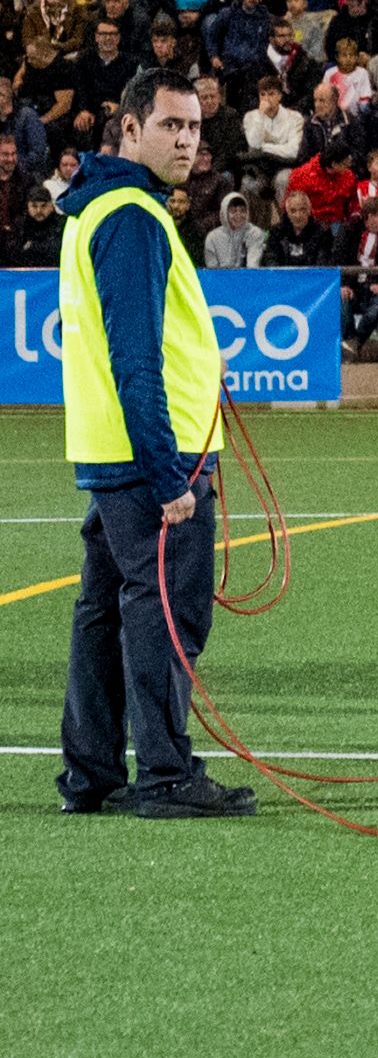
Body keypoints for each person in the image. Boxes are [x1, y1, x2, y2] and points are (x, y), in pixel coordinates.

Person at [54, 71, 256, 819]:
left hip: (110, 447)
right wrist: (169, 472)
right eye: (171, 125)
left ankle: (91, 770)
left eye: (195, 128)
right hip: (151, 458)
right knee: (165, 608)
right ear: (129, 129)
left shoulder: (95, 208)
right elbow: (134, 356)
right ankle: (167, 775)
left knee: (104, 607)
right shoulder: (133, 215)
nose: (186, 140)